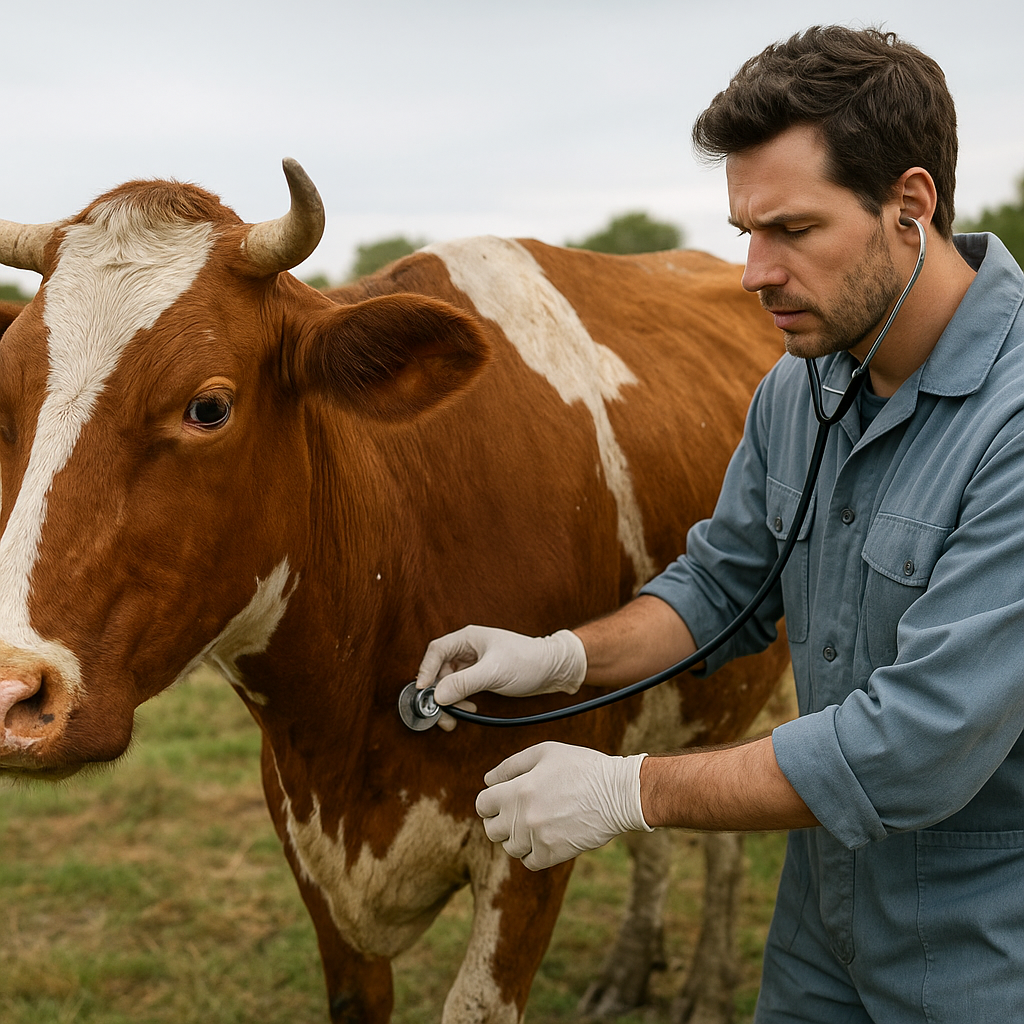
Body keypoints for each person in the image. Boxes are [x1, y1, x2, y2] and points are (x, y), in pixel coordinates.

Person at [415, 25, 1024, 1022]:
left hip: (981, 954)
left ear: (909, 206)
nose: (752, 272)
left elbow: (917, 745)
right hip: (819, 932)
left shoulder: (1010, 423)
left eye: (791, 229)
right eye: (745, 229)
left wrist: (629, 792)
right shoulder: (800, 391)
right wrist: (559, 655)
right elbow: (721, 583)